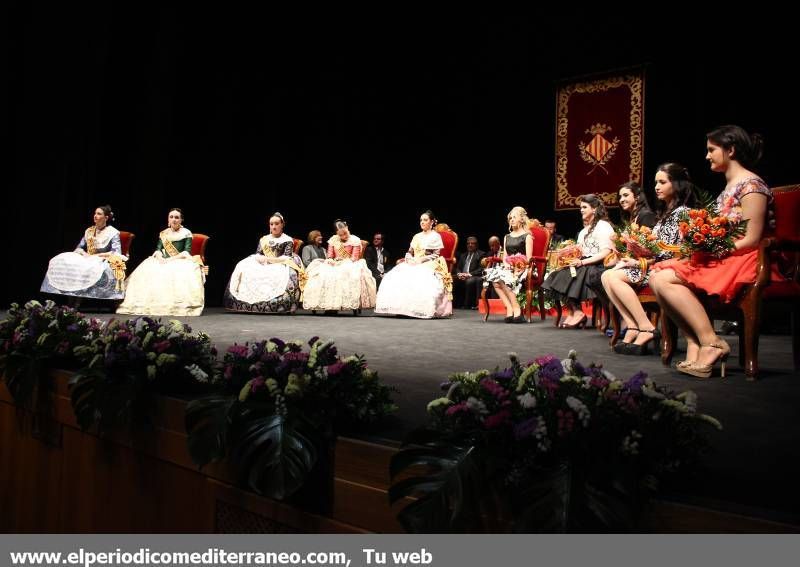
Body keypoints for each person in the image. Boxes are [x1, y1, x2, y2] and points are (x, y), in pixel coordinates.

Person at [650, 125, 778, 378]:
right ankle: (698, 342)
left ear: (730, 150)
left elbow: (751, 238)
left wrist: (713, 249)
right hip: (723, 254)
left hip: (743, 257)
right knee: (657, 277)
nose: (707, 156)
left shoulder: (752, 185)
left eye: (711, 150)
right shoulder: (729, 186)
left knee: (664, 279)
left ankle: (713, 343)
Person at [602, 164, 695, 354]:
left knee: (613, 276)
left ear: (676, 184)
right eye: (655, 183)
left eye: (662, 182)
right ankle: (633, 326)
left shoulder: (682, 212)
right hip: (654, 265)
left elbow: (680, 250)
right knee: (606, 276)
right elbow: (656, 249)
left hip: (667, 268)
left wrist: (640, 258)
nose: (656, 187)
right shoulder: (663, 214)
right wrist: (636, 254)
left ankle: (647, 327)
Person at [543, 194, 614, 328]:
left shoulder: (603, 226)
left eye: (584, 207)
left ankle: (577, 313)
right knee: (556, 275)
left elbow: (606, 252)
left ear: (594, 209)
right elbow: (580, 252)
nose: (581, 210)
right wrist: (567, 254)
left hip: (597, 265)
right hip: (582, 262)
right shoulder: (583, 231)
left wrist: (582, 262)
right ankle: (574, 311)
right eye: (580, 207)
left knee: (569, 275)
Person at [116, 208, 205, 316]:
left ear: (181, 220)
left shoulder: (186, 233)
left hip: (180, 260)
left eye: (177, 217)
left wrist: (169, 260)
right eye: (171, 217)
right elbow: (158, 249)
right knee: (148, 271)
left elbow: (186, 251)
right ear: (168, 219)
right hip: (162, 260)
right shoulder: (164, 233)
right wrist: (160, 258)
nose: (174, 220)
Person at [374, 210, 453, 318]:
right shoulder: (417, 236)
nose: (422, 222)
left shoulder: (435, 236)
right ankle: (402, 308)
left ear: (432, 222)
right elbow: (410, 251)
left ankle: (418, 309)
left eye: (425, 220)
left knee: (418, 277)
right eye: (421, 220)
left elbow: (436, 254)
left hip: (428, 263)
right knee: (395, 275)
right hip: (414, 262)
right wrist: (408, 256)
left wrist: (421, 260)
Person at [40, 205, 127, 301]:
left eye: (99, 214)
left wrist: (96, 256)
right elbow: (79, 248)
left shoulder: (112, 232)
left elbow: (116, 252)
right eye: (95, 213)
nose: (95, 216)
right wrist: (84, 254)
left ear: (106, 218)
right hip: (88, 257)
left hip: (102, 259)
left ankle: (78, 300)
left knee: (91, 267)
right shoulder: (89, 231)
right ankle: (69, 296)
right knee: (62, 260)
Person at [223, 212, 304, 313]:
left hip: (279, 264)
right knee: (242, 266)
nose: (274, 227)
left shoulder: (287, 240)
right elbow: (258, 253)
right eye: (271, 224)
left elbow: (286, 257)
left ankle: (277, 305)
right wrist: (261, 259)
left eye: (276, 224)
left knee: (279, 274)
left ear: (282, 224)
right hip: (263, 263)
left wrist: (270, 260)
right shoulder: (264, 239)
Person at [302, 220, 377, 313]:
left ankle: (342, 304)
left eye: (345, 233)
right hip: (335, 263)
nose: (344, 236)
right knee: (323, 275)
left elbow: (354, 257)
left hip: (350, 263)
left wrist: (343, 261)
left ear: (347, 228)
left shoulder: (354, 240)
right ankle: (328, 305)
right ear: (336, 233)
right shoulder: (333, 240)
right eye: (340, 235)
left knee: (344, 275)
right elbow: (330, 255)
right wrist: (331, 260)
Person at [483, 207, 533, 322]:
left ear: (521, 219)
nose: (511, 220)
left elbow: (529, 260)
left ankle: (517, 310)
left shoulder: (527, 236)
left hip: (523, 268)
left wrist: (518, 266)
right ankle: (510, 308)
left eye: (514, 217)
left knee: (504, 279)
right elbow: (505, 257)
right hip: (509, 268)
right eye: (510, 218)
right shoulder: (507, 237)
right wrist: (506, 264)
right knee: (495, 280)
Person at [452, 236, 486, 309]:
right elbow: (458, 268)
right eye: (468, 243)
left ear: (476, 245)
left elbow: (481, 269)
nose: (470, 245)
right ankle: (455, 304)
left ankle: (467, 304)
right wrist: (459, 274)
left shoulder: (481, 254)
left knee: (469, 281)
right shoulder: (463, 255)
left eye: (472, 243)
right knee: (452, 280)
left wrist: (469, 274)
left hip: (474, 276)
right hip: (462, 276)